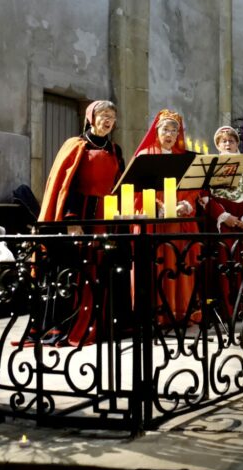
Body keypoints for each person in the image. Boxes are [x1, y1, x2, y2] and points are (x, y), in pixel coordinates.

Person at [38, 100, 126, 346]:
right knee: (78, 272)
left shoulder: (116, 150)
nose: (107, 120)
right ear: (90, 117)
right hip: (81, 217)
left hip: (107, 219)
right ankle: (71, 325)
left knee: (105, 269)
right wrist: (71, 220)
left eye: (111, 116)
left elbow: (121, 184)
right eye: (102, 115)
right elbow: (66, 186)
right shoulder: (76, 146)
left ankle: (104, 323)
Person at [133, 109, 201, 325]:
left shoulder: (185, 158)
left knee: (180, 265)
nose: (170, 134)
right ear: (156, 131)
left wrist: (186, 203)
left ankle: (181, 311)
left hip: (179, 221)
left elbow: (194, 187)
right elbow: (134, 188)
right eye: (165, 129)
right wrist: (157, 206)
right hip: (155, 221)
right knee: (157, 264)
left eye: (174, 130)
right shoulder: (145, 156)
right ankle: (156, 314)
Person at [200, 126, 243, 320]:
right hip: (223, 220)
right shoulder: (211, 166)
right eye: (223, 141)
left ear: (237, 143)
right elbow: (206, 197)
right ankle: (228, 308)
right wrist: (225, 217)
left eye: (231, 141)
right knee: (224, 264)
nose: (227, 144)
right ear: (218, 145)